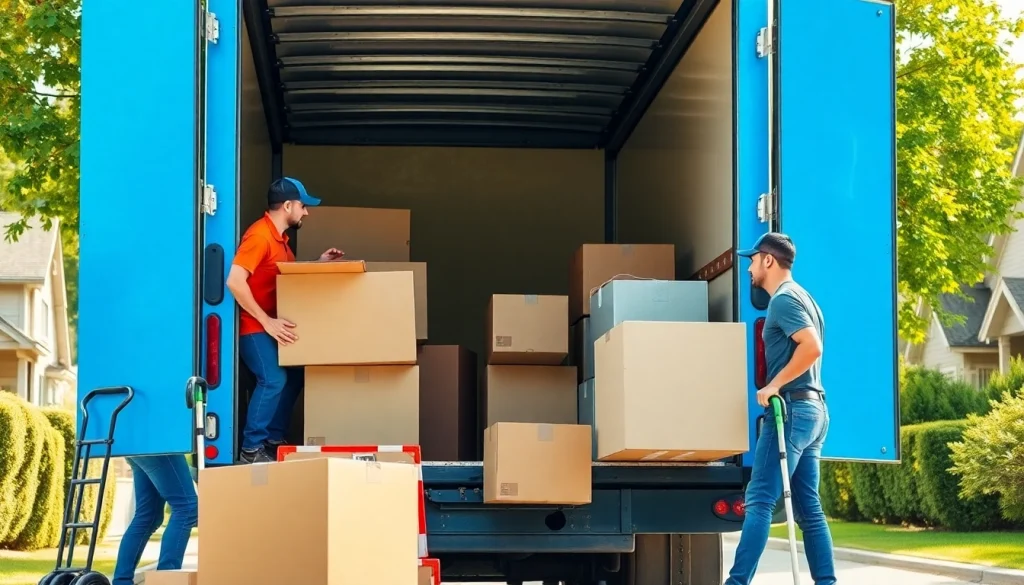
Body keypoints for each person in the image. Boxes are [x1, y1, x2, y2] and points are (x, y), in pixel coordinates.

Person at [726, 232, 835, 585]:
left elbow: (811, 347)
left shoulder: (784, 301)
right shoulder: (806, 298)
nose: (750, 268)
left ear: (768, 260)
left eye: (753, 260)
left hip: (790, 412)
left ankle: (736, 582)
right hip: (814, 411)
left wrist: (774, 384)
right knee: (809, 508)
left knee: (758, 501)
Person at [226, 177, 344, 464]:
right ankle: (251, 449)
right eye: (303, 206)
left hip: (270, 326)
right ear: (288, 205)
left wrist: (318, 265)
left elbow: (284, 277)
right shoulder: (259, 237)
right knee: (273, 379)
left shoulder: (280, 241)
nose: (306, 212)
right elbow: (235, 280)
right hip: (254, 328)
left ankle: (272, 439)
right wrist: (266, 321)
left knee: (294, 376)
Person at [112, 455, 197, 585]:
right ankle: (166, 581)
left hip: (137, 447)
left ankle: (121, 581)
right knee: (187, 507)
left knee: (148, 516)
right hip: (160, 446)